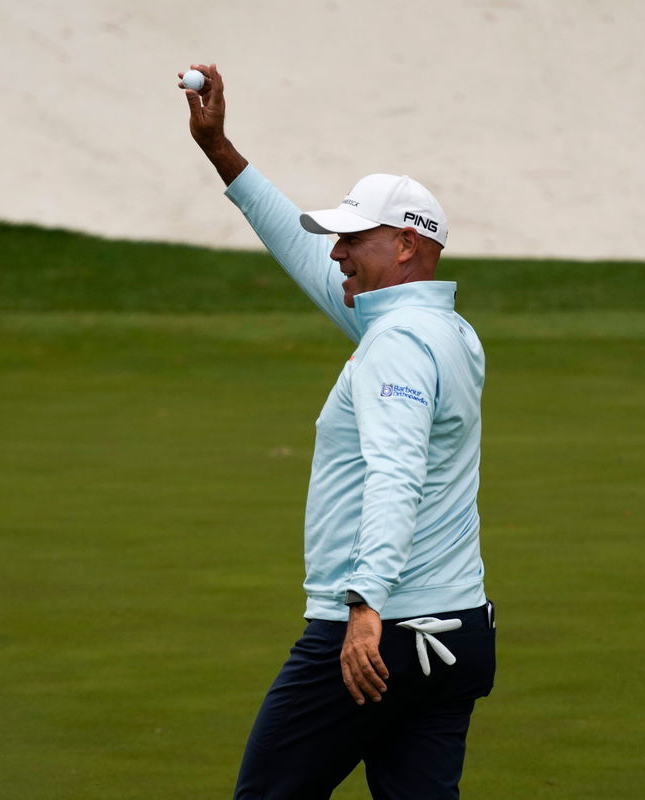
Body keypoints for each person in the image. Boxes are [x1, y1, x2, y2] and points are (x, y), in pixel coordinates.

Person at [180, 64, 495, 800]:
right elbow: (302, 254)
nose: (336, 251)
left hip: (378, 635)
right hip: (457, 633)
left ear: (408, 248)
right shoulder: (448, 331)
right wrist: (219, 149)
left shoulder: (394, 344)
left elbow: (396, 474)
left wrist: (363, 609)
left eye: (354, 238)